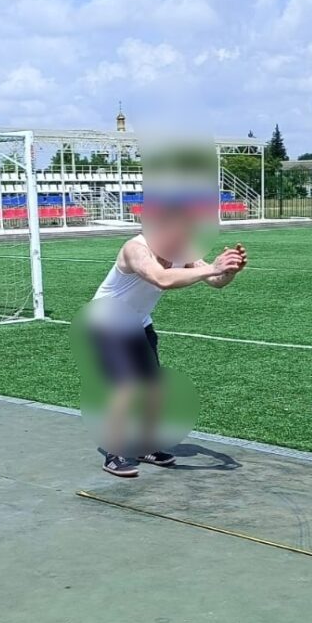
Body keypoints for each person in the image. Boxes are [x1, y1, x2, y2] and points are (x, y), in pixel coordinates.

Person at [85, 204, 246, 477]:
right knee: (126, 387)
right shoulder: (136, 249)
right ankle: (113, 453)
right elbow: (161, 279)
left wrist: (229, 270)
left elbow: (216, 281)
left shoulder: (184, 250)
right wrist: (212, 268)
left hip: (138, 323)